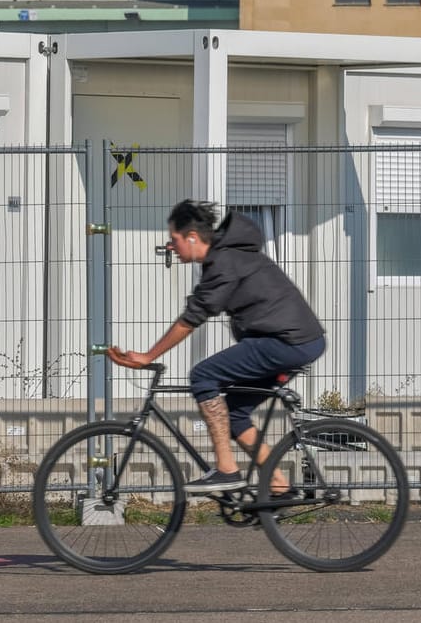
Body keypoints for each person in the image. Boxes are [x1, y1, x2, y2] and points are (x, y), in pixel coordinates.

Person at [109, 200, 326, 494]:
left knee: (203, 376)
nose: (171, 246)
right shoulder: (227, 258)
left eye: (174, 240)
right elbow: (198, 309)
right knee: (235, 414)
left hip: (287, 342)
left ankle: (227, 470)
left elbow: (192, 317)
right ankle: (278, 486)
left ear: (192, 238)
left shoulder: (224, 262)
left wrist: (148, 356)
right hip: (294, 340)